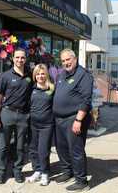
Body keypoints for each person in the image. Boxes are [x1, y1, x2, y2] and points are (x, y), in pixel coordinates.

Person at [53, 49, 93, 191]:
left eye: (68, 60)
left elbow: (86, 100)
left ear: (75, 59)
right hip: (59, 119)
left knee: (76, 150)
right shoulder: (62, 74)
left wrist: (78, 120)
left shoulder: (83, 75)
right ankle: (67, 172)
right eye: (63, 61)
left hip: (74, 118)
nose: (66, 63)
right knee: (61, 148)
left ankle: (81, 181)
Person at [0, 48, 33, 184]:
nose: (20, 60)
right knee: (3, 146)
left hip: (23, 116)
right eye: (17, 57)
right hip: (7, 113)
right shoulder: (5, 75)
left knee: (20, 146)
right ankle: (1, 172)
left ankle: (17, 171)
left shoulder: (30, 75)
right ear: (12, 58)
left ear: (25, 59)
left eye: (22, 57)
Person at [27, 64, 54, 186]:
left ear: (46, 74)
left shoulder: (52, 89)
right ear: (35, 76)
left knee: (43, 150)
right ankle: (37, 170)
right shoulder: (31, 89)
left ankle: (45, 173)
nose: (40, 76)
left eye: (42, 73)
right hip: (33, 125)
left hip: (46, 125)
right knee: (33, 150)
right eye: (38, 74)